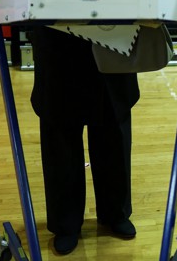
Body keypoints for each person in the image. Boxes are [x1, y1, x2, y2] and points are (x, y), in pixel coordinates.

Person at [29, 26, 140, 254]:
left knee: (112, 124)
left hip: (110, 24)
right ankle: (66, 222)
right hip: (56, 29)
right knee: (60, 131)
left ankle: (114, 212)